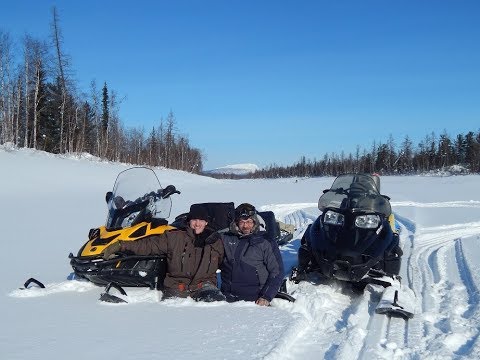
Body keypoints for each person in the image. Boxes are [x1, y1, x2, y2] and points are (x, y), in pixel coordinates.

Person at [102, 204, 225, 302]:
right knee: (172, 315)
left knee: (216, 305)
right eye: (194, 220)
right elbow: (148, 245)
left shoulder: (215, 242)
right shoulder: (174, 237)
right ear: (189, 221)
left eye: (201, 220)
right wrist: (121, 245)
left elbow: (227, 261)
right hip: (177, 288)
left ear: (206, 222)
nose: (197, 224)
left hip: (204, 287)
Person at [219, 203, 285, 306]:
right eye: (242, 222)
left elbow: (277, 271)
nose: (245, 226)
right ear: (236, 222)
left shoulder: (266, 242)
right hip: (227, 298)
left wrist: (266, 296)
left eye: (249, 221)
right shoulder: (226, 238)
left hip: (255, 300)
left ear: (255, 222)